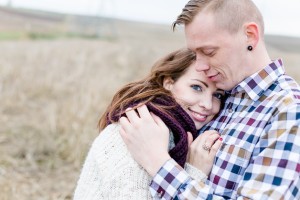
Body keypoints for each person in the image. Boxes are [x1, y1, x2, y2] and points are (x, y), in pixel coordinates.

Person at [119, 0, 300, 199]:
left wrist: (158, 162)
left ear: (250, 36)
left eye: (209, 52)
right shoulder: (220, 93)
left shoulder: (288, 110)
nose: (199, 66)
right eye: (195, 54)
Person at [73, 48, 225, 199]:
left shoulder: (177, 134)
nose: (208, 104)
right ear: (169, 83)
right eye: (196, 87)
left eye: (217, 95)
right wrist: (194, 174)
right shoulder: (137, 128)